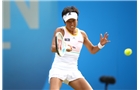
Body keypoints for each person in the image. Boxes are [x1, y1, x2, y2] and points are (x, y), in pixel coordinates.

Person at [48, 6, 110, 90]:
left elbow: (92, 50)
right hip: (58, 69)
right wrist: (65, 47)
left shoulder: (82, 34)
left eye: (73, 20)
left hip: (73, 70)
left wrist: (100, 45)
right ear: (65, 22)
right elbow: (52, 48)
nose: (71, 23)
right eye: (68, 21)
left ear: (77, 20)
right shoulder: (60, 31)